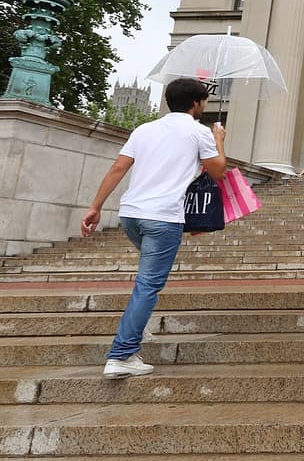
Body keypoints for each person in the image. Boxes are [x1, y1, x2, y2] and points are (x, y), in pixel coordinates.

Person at [81, 78, 227, 378]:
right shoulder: (199, 132)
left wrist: (95, 206)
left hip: (132, 214)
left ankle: (134, 330)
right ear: (197, 103)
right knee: (148, 285)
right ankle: (122, 354)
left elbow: (118, 168)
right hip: (163, 218)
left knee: (147, 279)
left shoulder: (144, 129)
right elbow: (219, 171)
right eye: (204, 102)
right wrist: (219, 139)